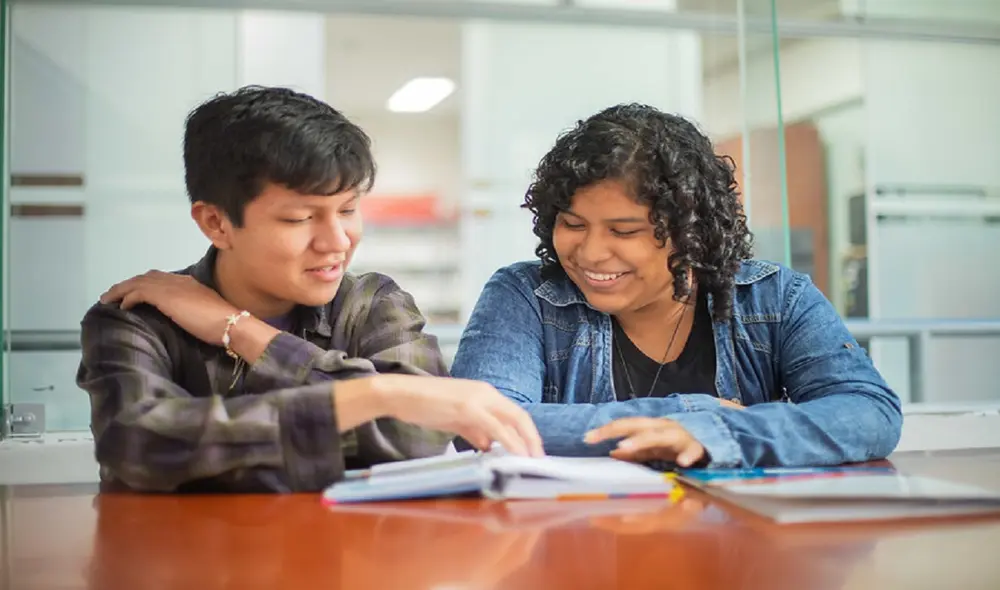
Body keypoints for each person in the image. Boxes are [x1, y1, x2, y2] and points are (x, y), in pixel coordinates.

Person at [77, 86, 542, 494]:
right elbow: (138, 446)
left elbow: (416, 437)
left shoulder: (373, 304)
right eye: (300, 218)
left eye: (348, 209)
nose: (337, 241)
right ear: (216, 223)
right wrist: (376, 398)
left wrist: (245, 334)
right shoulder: (137, 317)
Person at [450, 103, 901, 468]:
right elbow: (483, 424)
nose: (589, 253)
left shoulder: (776, 297)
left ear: (692, 231)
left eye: (624, 232)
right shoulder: (524, 296)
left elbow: (867, 412)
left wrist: (718, 436)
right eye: (572, 224)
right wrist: (687, 415)